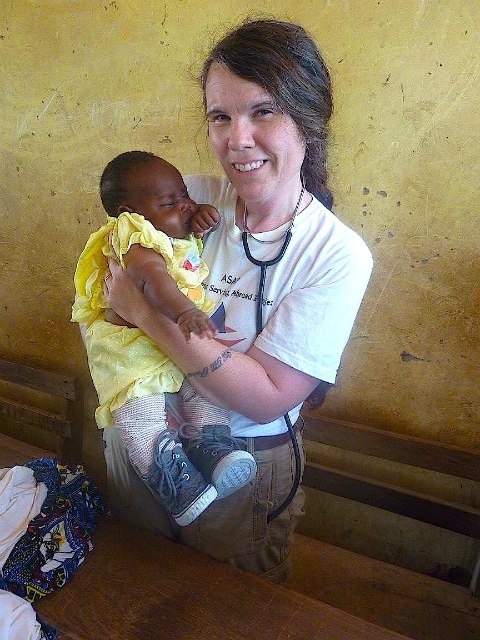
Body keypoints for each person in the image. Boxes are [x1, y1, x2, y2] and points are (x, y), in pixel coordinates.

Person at [102, 18, 373, 583]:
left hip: (243, 469)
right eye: (220, 117)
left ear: (309, 121)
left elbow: (266, 398)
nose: (237, 139)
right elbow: (109, 283)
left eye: (263, 111)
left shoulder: (336, 256)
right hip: (145, 441)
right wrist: (129, 305)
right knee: (134, 589)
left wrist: (148, 315)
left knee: (223, 610)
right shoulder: (187, 198)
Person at [72, 151, 257, 526]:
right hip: (129, 350)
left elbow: (179, 231)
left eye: (185, 195)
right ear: (130, 213)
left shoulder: (166, 229)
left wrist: (197, 213)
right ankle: (174, 483)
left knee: (203, 387)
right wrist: (186, 313)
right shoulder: (134, 239)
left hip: (165, 340)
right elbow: (152, 279)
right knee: (140, 411)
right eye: (171, 202)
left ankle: (213, 447)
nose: (184, 205)